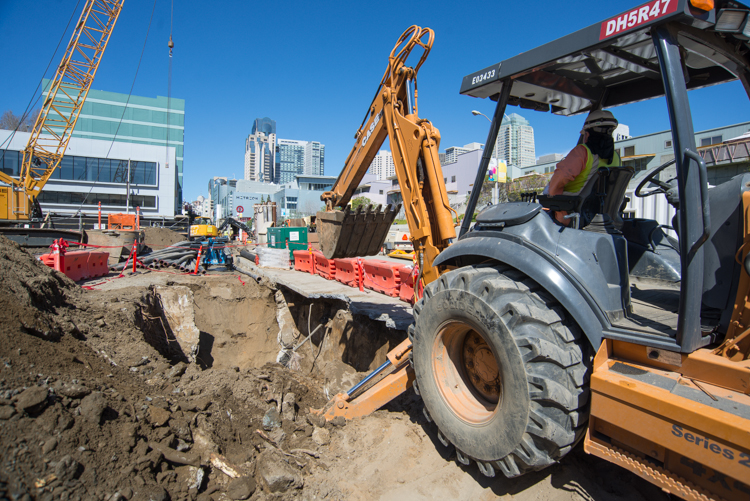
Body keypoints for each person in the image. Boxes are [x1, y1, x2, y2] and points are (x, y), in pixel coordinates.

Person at [543, 110, 621, 225]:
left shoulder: (582, 152)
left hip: (572, 212)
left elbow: (558, 180)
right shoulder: (616, 157)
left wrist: (561, 214)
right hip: (601, 214)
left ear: (587, 134)